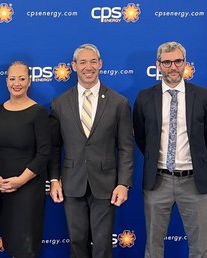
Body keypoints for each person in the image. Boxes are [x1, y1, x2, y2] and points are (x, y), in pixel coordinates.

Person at [49, 43, 134, 258]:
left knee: (103, 245)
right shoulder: (59, 103)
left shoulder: (119, 103)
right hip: (72, 183)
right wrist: (54, 180)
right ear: (74, 66)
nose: (89, 67)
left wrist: (123, 183)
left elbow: (125, 147)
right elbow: (54, 146)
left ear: (101, 64)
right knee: (77, 242)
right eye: (83, 62)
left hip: (106, 185)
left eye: (93, 61)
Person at [133, 41, 207, 258]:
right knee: (153, 246)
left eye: (178, 61)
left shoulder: (204, 96)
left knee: (199, 248)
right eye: (167, 62)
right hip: (157, 181)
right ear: (158, 65)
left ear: (185, 63)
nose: (173, 67)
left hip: (193, 181)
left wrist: (197, 160)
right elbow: (141, 137)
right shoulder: (144, 97)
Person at [0, 61, 51, 258]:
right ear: (6, 81)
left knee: (26, 247)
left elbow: (44, 153)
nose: (17, 83)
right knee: (11, 244)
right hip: (3, 187)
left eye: (22, 78)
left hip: (28, 188)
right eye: (12, 78)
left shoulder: (38, 112)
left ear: (29, 81)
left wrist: (20, 180)